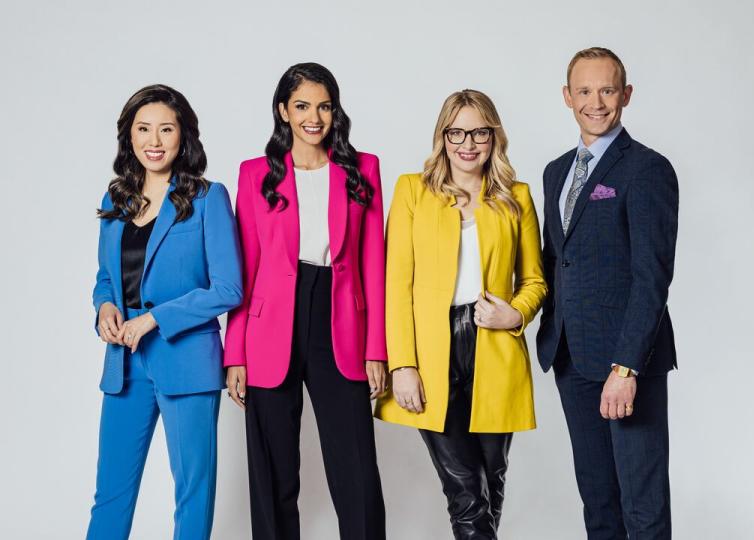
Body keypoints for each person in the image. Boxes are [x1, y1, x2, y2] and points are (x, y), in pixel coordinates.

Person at [222, 62, 387, 540]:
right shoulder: (255, 175)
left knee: (355, 468)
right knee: (273, 473)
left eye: (324, 106)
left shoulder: (363, 169)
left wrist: (377, 347)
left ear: (335, 111)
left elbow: (373, 264)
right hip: (270, 326)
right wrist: (236, 354)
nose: (314, 117)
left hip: (340, 323)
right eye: (302, 106)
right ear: (283, 111)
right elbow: (244, 271)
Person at [376, 89, 547, 540]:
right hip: (433, 351)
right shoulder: (413, 190)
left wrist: (516, 315)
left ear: (495, 136)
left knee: (492, 482)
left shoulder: (517, 196)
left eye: (479, 132)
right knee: (466, 492)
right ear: (442, 136)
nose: (467, 143)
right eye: (456, 132)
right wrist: (403, 365)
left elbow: (535, 280)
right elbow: (397, 284)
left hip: (495, 347)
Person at [535, 47, 679, 539]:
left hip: (625, 365)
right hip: (572, 359)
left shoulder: (646, 169)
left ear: (626, 95)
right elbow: (556, 261)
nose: (595, 102)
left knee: (642, 506)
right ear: (566, 97)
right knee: (598, 503)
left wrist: (627, 367)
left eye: (607, 90)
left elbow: (651, 277)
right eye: (584, 91)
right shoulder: (556, 172)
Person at [87, 84, 243, 539]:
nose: (154, 141)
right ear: (129, 136)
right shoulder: (117, 199)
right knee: (111, 491)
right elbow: (104, 277)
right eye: (143, 129)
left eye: (165, 129)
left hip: (186, 359)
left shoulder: (207, 197)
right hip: (125, 363)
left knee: (192, 491)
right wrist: (105, 307)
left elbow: (229, 288)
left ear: (183, 136)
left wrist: (156, 318)